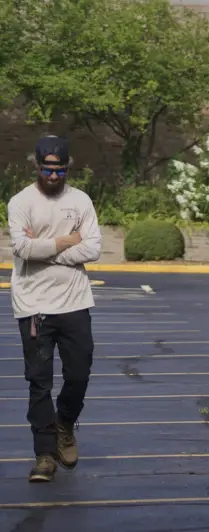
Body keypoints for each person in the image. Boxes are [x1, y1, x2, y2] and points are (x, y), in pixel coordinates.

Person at [7, 136, 102, 482]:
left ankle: (64, 421)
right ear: (36, 165)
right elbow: (22, 248)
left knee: (79, 373)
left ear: (68, 166)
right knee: (39, 381)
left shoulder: (80, 201)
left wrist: (43, 246)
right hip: (33, 304)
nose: (52, 175)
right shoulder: (21, 202)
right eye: (47, 169)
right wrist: (65, 240)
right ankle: (44, 454)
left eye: (59, 169)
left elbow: (92, 248)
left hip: (75, 301)